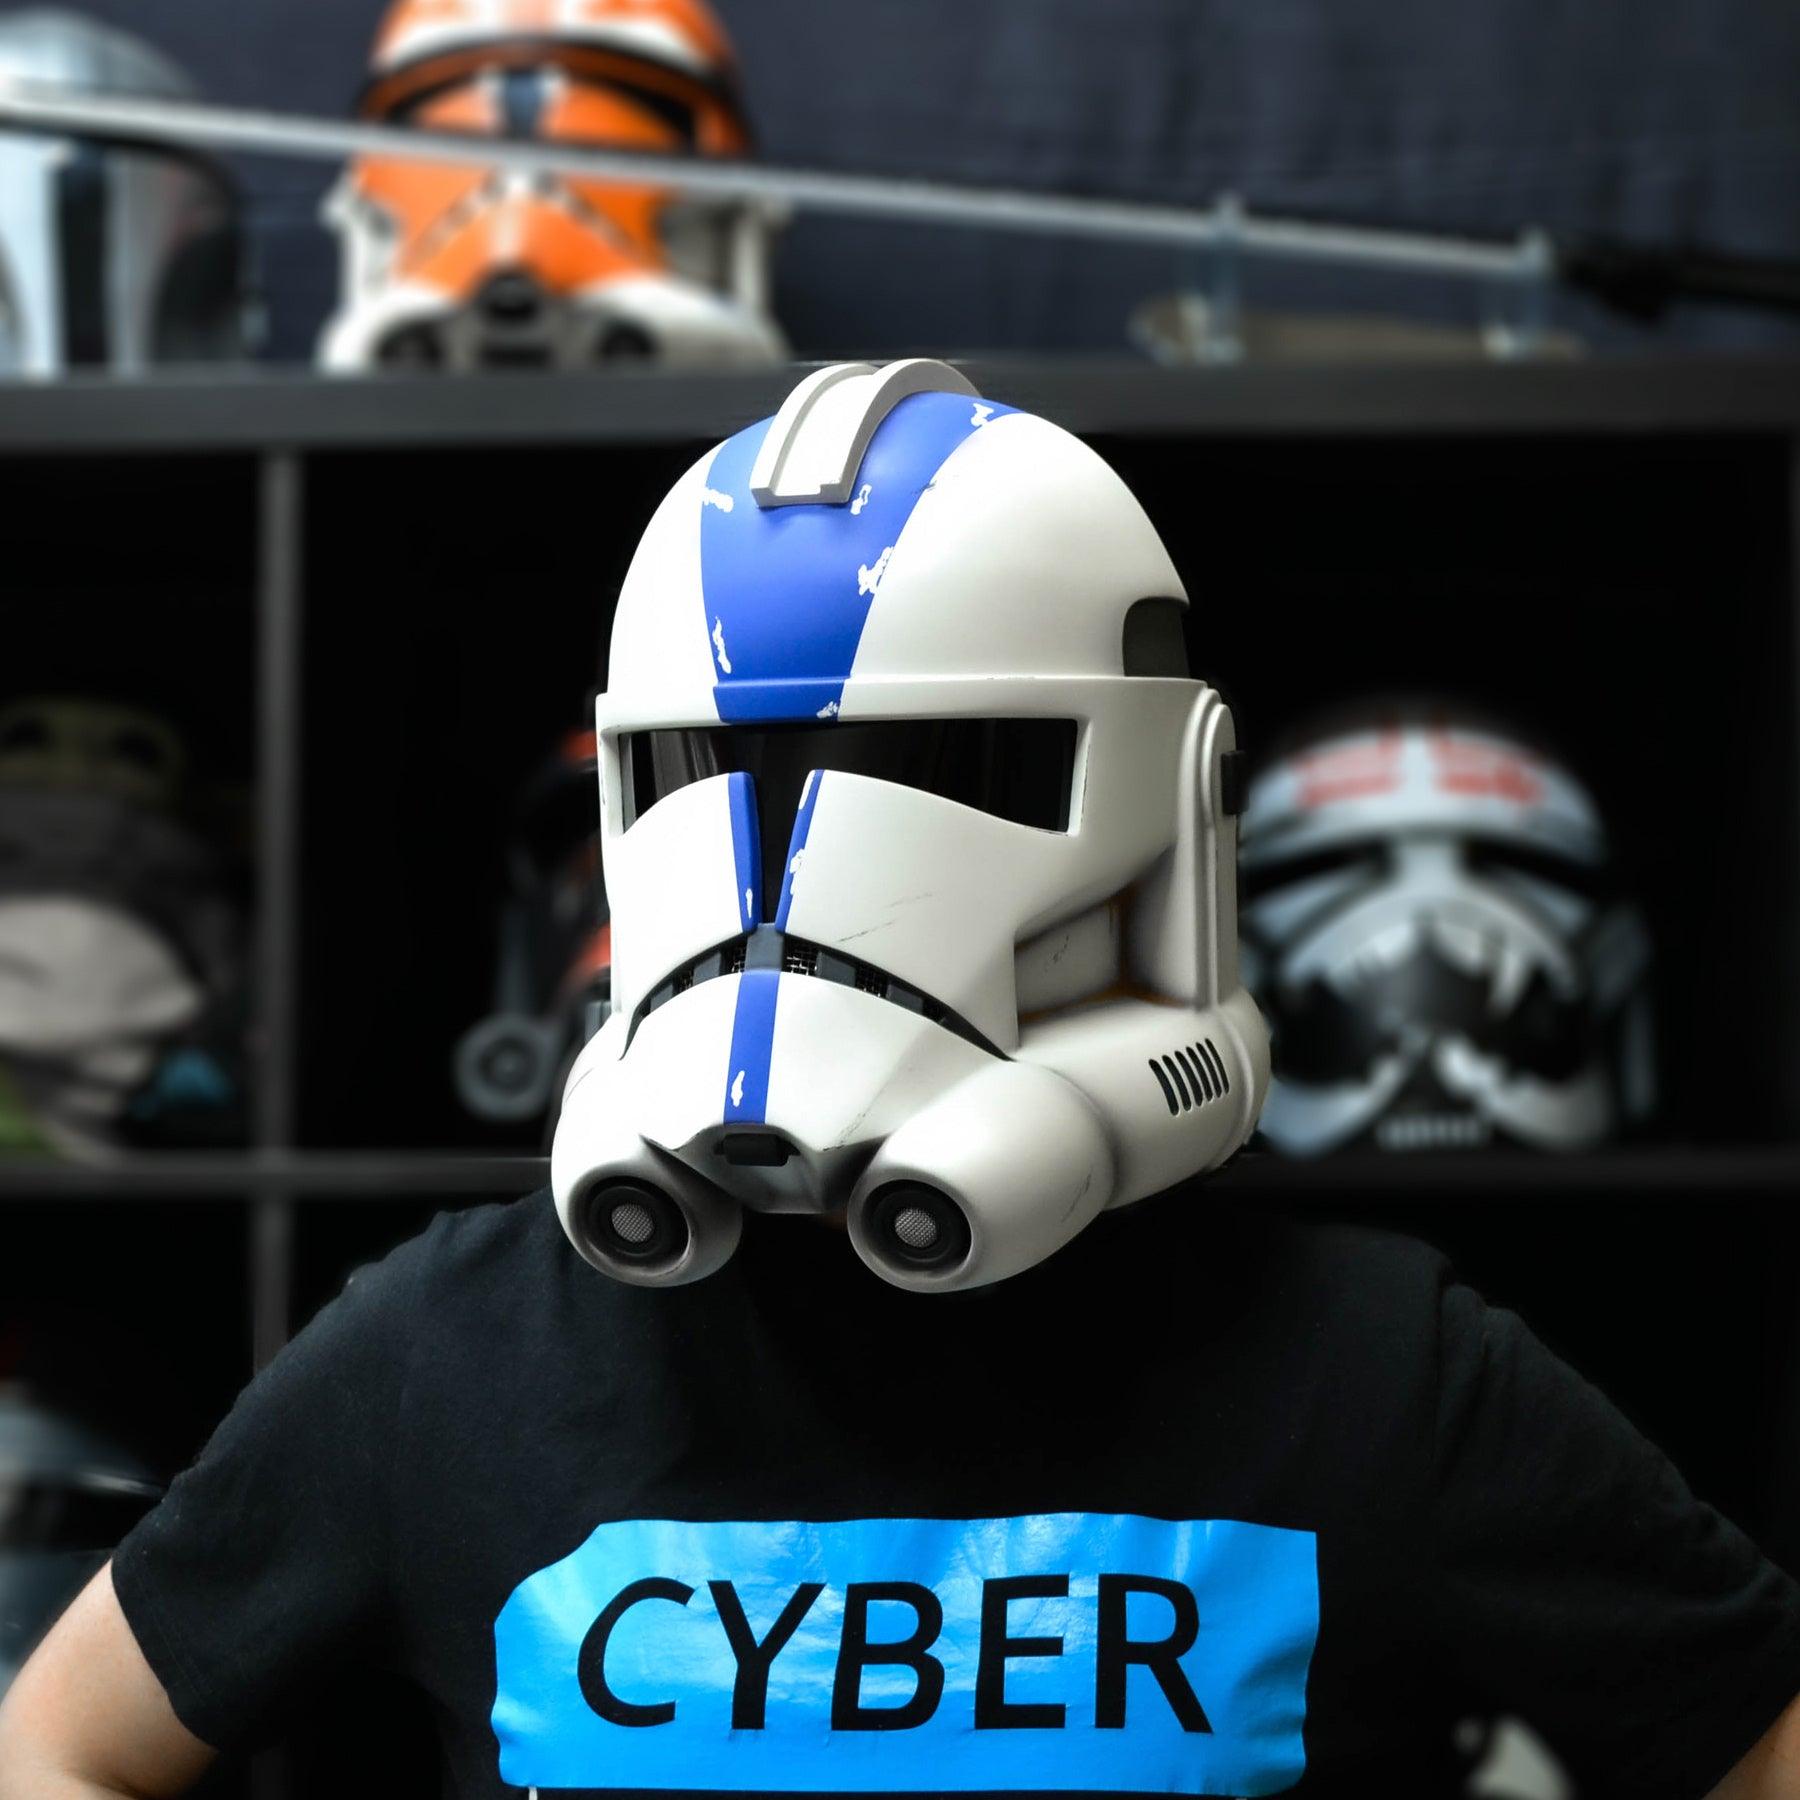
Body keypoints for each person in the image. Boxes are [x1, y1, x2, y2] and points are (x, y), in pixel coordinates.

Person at [4, 362, 1799, 1799]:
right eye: (718, 767)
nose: (799, 871)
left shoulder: (1371, 1370)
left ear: (1159, 804)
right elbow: (61, 1748)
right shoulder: (450, 1355)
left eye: (941, 764)